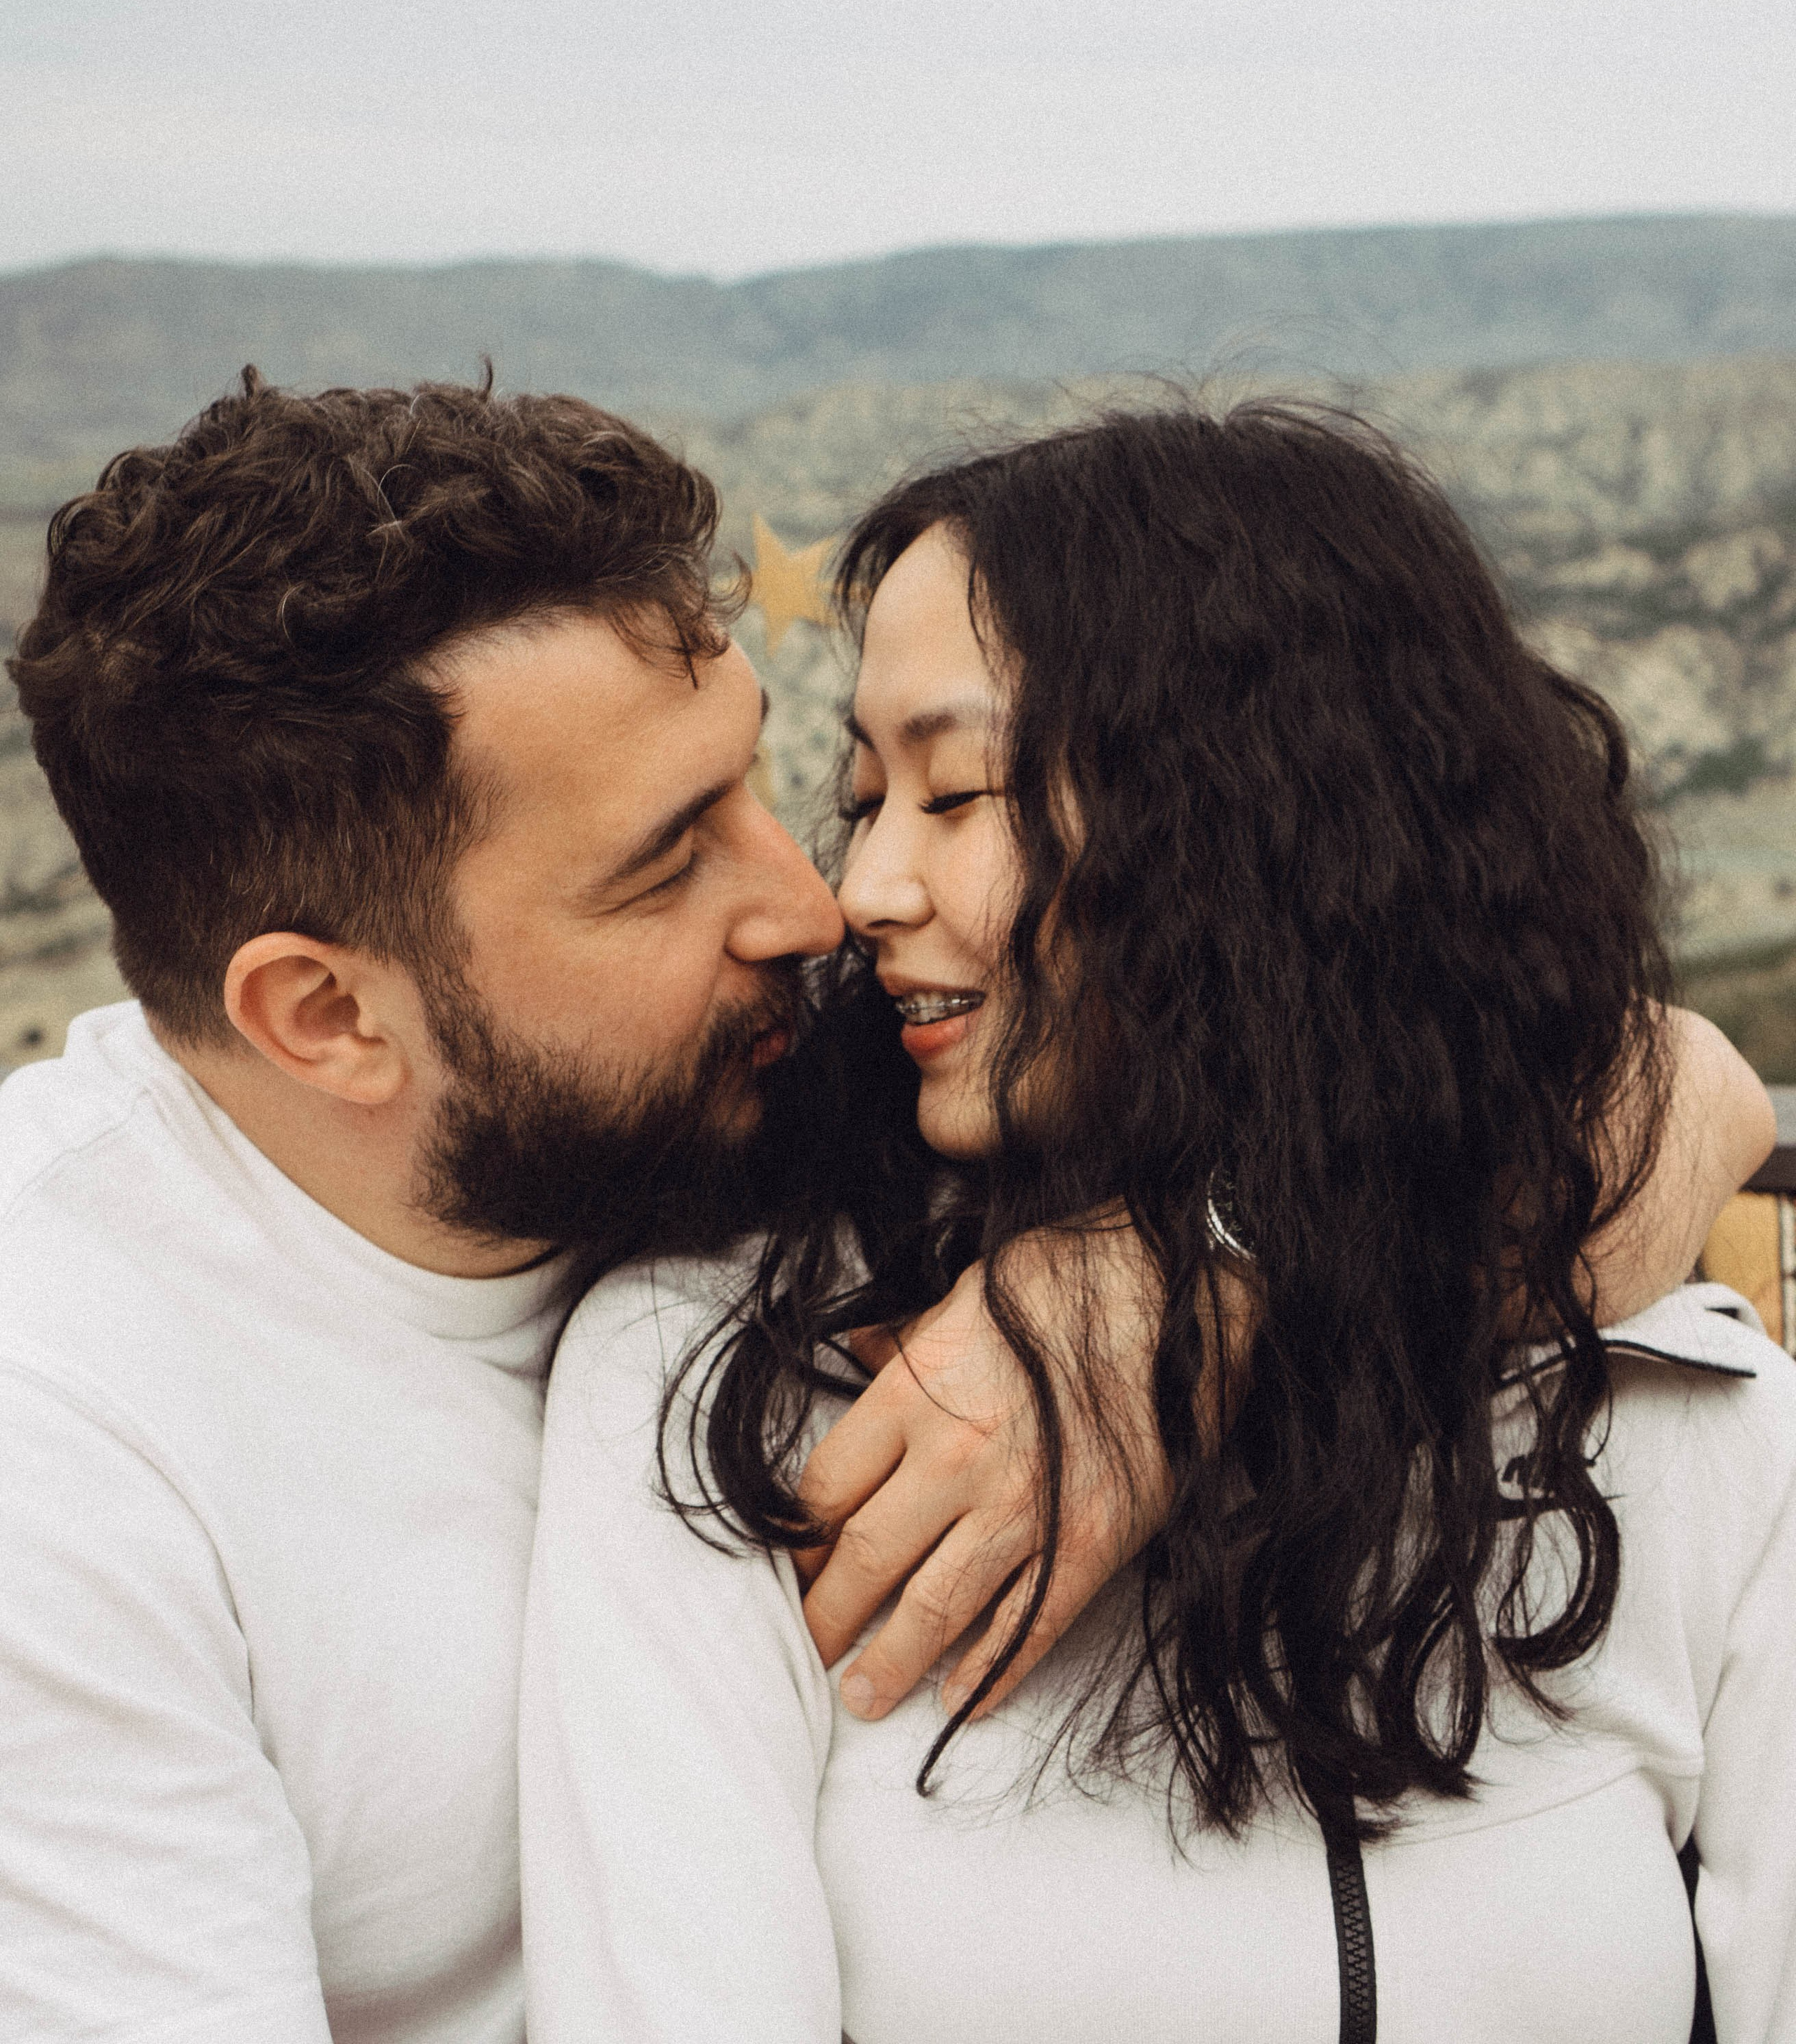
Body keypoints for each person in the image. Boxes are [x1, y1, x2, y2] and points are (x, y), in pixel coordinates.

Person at [522, 401, 1792, 2044]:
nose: (867, 891)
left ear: (1258, 820)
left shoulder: (1668, 1405)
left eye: (958, 793)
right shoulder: (724, 1392)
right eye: (866, 799)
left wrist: (1213, 1263)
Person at [0, 374, 1221, 2043]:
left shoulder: (732, 1075)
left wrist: (1182, 1280)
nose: (814, 904)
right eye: (664, 866)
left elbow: (1632, 1091)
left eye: (761, 788)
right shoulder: (57, 1453)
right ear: (331, 1019)